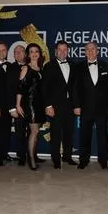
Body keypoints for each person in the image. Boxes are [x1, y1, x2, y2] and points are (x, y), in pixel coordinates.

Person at [72, 42, 108, 169]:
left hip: (102, 107)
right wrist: (76, 105)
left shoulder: (105, 65)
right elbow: (75, 88)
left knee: (102, 135)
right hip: (85, 107)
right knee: (85, 135)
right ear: (85, 52)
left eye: (93, 49)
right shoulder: (78, 67)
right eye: (88, 49)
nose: (90, 51)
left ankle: (103, 160)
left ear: (97, 51)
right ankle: (83, 160)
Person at [42, 40, 77, 169]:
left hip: (70, 105)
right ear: (56, 51)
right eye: (60, 50)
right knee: (55, 133)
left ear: (68, 51)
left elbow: (76, 87)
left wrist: (76, 105)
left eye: (65, 50)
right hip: (55, 106)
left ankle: (67, 156)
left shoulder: (73, 65)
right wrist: (48, 106)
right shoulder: (48, 66)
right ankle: (56, 159)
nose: (62, 52)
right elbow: (44, 88)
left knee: (69, 132)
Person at [16, 43, 46, 170]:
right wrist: (18, 104)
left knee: (36, 131)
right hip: (30, 104)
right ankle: (31, 160)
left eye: (36, 51)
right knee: (34, 131)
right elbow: (20, 88)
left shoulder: (41, 68)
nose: (34, 54)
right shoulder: (25, 68)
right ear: (28, 54)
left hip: (40, 104)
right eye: (32, 51)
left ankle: (33, 155)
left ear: (39, 54)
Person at [9, 44, 29, 164]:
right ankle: (21, 156)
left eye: (20, 51)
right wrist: (12, 107)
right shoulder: (11, 68)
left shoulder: (31, 65)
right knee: (20, 132)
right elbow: (10, 89)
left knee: (32, 132)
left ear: (25, 53)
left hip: (31, 106)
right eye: (15, 52)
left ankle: (32, 155)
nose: (17, 54)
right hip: (18, 106)